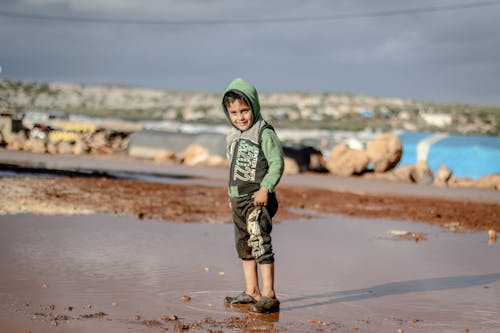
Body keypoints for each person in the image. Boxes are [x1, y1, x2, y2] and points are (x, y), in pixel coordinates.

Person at [221, 78, 284, 314]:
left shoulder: (263, 133)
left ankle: (269, 295)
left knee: (259, 242)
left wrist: (265, 187)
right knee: (244, 245)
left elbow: (277, 163)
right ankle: (252, 291)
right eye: (234, 112)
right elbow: (233, 168)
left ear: (254, 107)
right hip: (238, 199)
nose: (240, 117)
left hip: (259, 198)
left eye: (245, 110)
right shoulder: (233, 137)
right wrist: (230, 194)